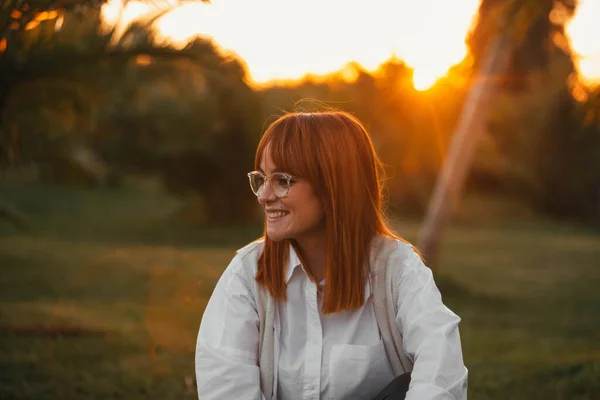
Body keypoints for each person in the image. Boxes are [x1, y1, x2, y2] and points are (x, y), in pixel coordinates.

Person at [195, 111, 468, 400]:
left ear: (334, 185)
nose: (263, 195)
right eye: (261, 178)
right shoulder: (247, 273)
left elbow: (441, 371)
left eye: (283, 180)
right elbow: (225, 387)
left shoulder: (397, 268)